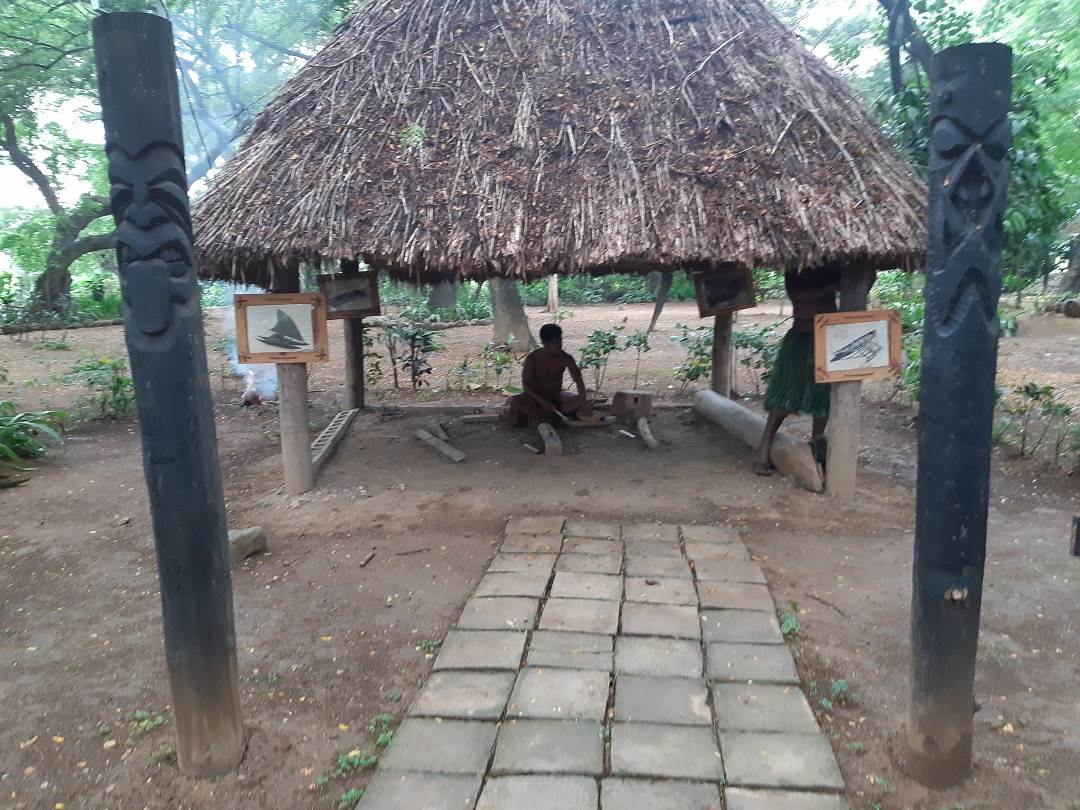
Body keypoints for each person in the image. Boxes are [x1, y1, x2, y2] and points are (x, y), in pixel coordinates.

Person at [754, 265, 841, 475]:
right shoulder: (794, 271)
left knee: (822, 401)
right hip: (802, 337)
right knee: (783, 398)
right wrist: (833, 286)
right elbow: (800, 295)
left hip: (824, 337)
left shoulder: (831, 267)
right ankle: (763, 451)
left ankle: (816, 450)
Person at [504, 323, 593, 427]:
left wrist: (583, 405)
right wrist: (542, 402)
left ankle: (547, 417)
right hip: (535, 400)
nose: (560, 345)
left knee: (579, 400)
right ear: (545, 343)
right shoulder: (533, 359)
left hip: (556, 399)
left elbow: (579, 382)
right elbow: (526, 386)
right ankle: (543, 416)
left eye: (560, 341)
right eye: (556, 342)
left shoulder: (566, 358)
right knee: (516, 401)